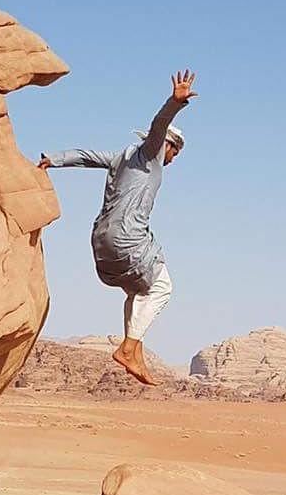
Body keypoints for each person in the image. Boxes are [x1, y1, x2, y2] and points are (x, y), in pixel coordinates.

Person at [38, 69, 197, 385]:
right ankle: (129, 347)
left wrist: (52, 160)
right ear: (168, 146)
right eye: (174, 152)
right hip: (127, 240)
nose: (173, 159)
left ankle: (133, 351)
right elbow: (158, 126)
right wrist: (174, 103)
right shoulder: (151, 154)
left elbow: (84, 156)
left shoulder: (117, 158)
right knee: (163, 286)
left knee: (138, 290)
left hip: (101, 248)